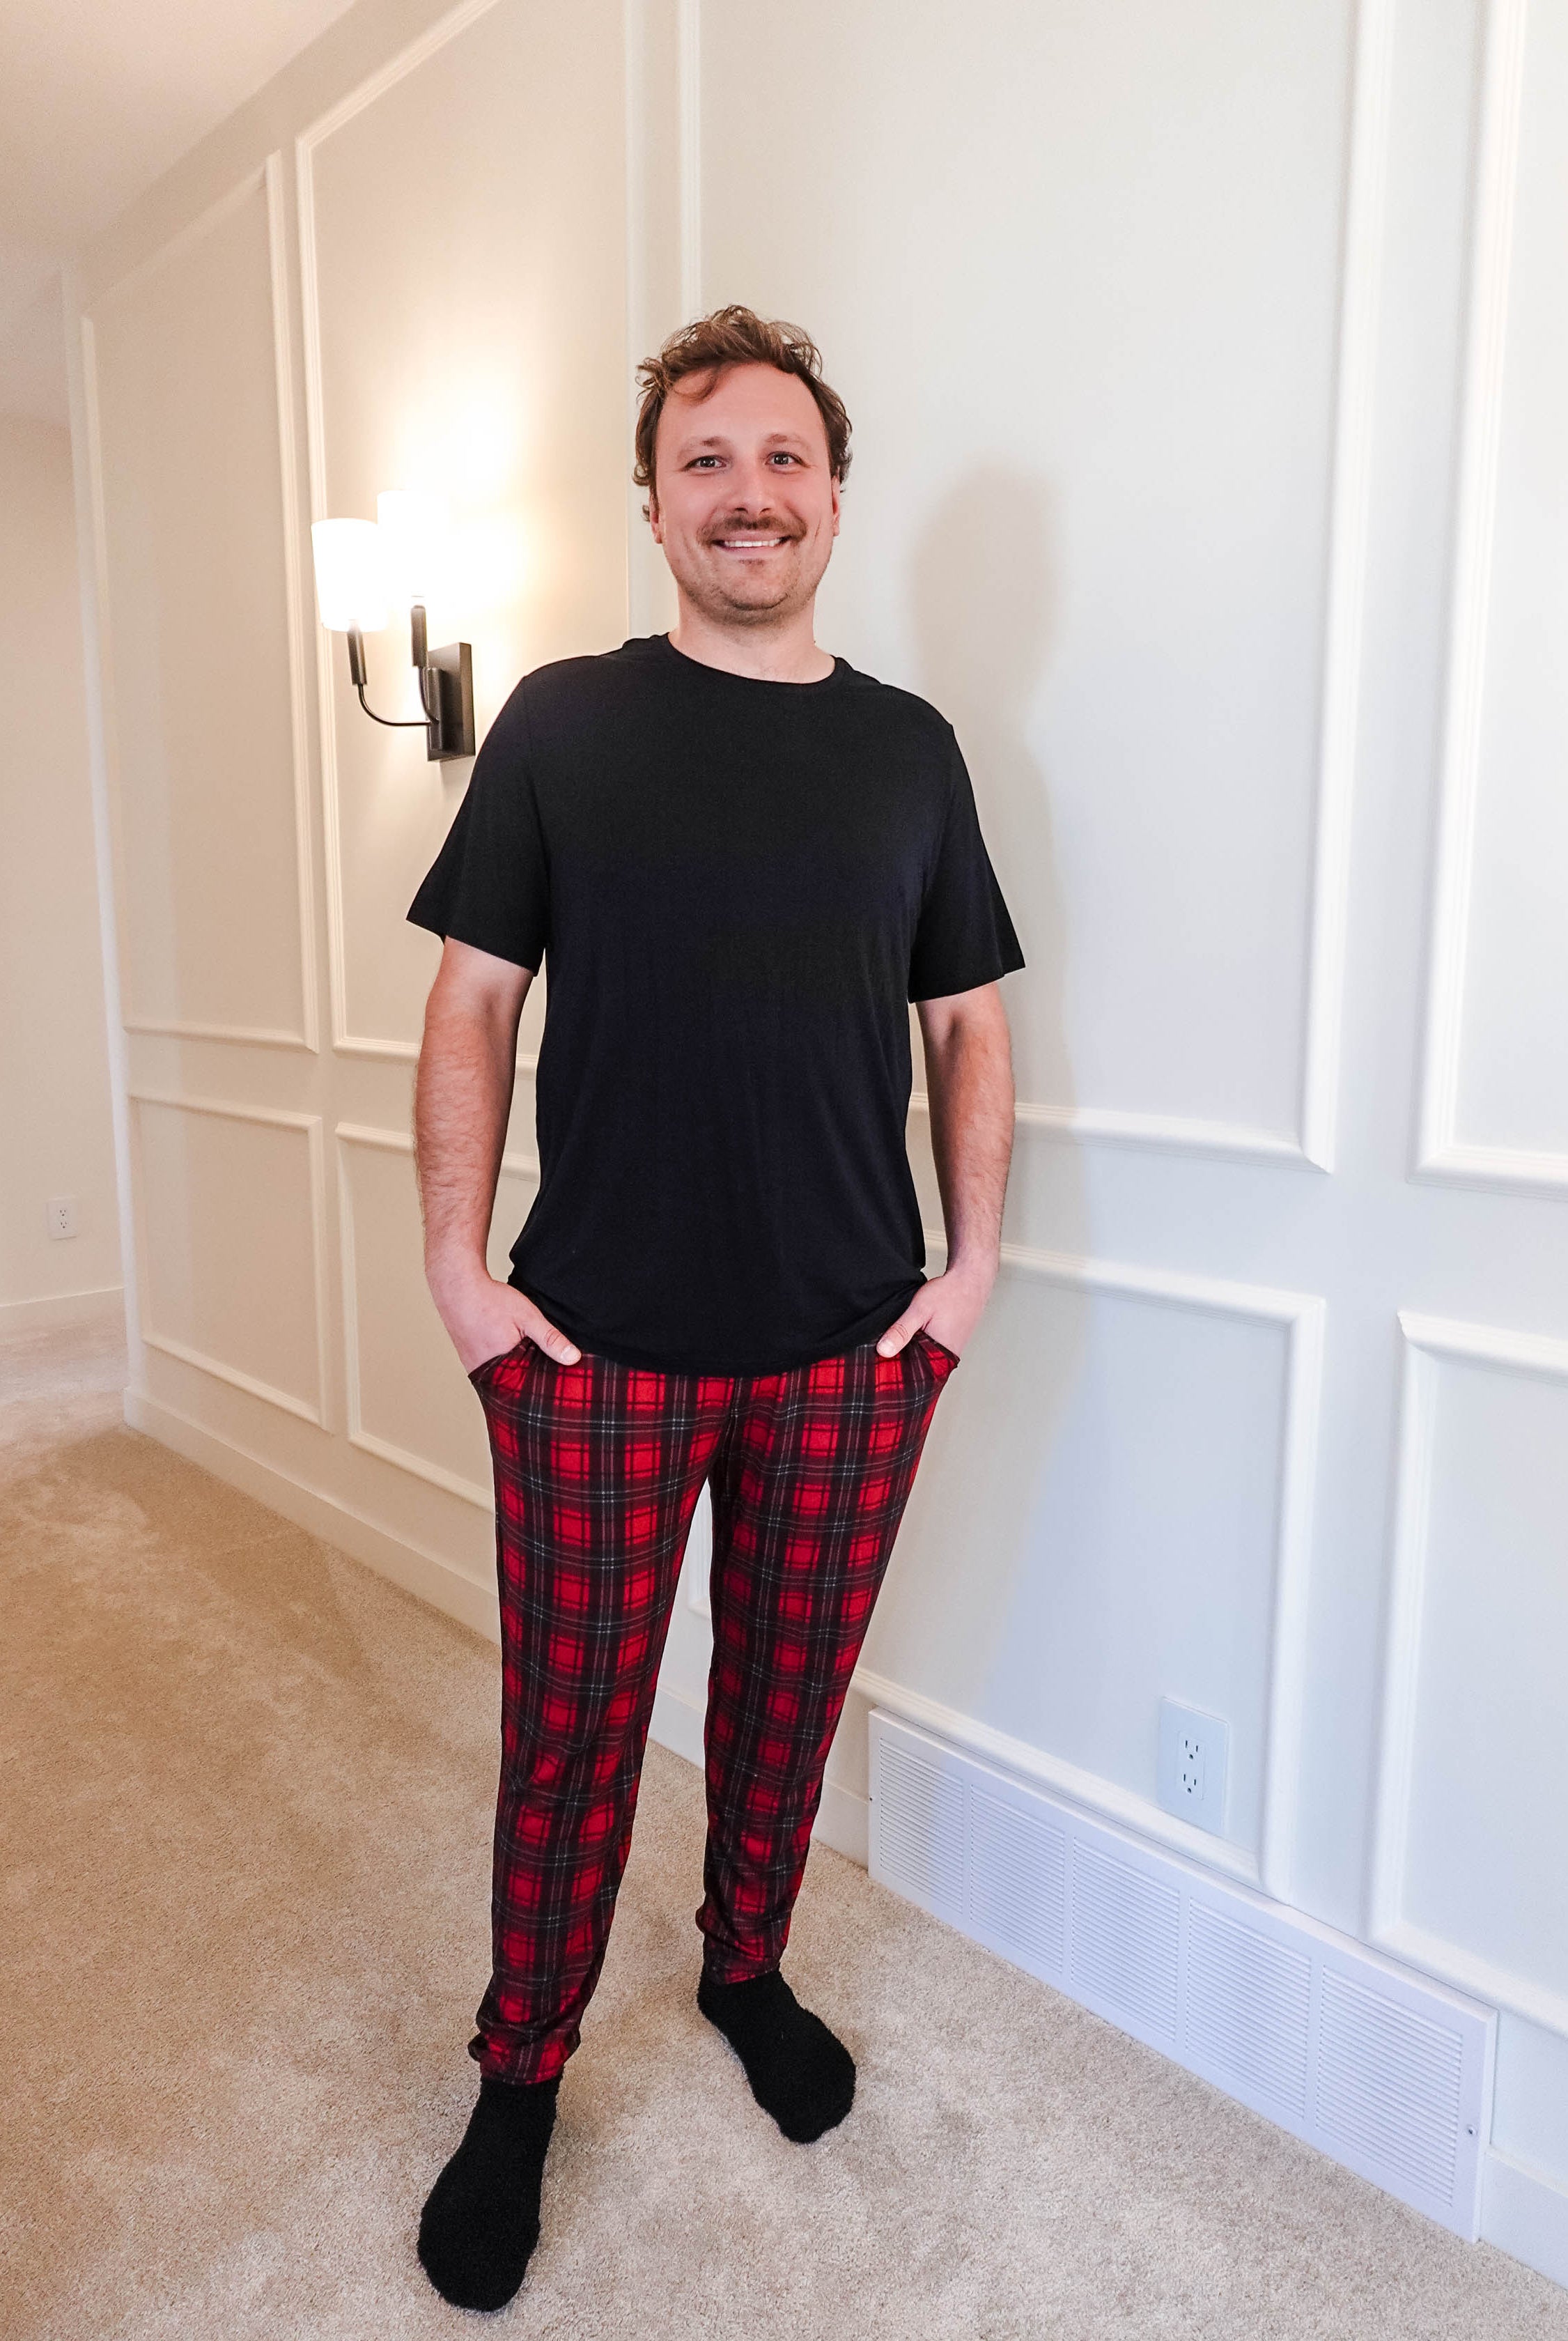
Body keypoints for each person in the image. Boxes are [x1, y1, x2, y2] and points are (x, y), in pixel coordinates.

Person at [405, 304, 1025, 2311]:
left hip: (853, 1351)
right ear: (654, 502)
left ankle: (742, 1969)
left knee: (785, 1700)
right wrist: (458, 1273)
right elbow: (472, 1003)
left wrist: (967, 1276)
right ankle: (521, 2075)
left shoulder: (911, 749)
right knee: (572, 1736)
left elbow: (968, 1024)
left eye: (782, 459)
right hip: (592, 1354)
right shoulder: (562, 725)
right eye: (705, 460)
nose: (747, 493)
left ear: (833, 496)